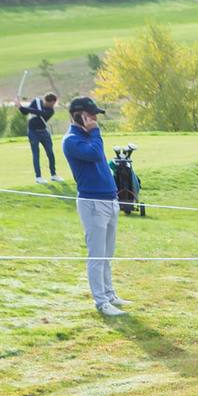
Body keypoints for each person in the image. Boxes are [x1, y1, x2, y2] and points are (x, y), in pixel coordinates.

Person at [61, 96, 125, 317]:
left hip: (109, 200)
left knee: (107, 253)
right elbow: (95, 154)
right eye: (91, 114)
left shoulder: (89, 137)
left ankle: (109, 293)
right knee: (97, 255)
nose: (95, 119)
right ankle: (101, 301)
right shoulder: (72, 140)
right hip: (92, 203)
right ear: (79, 115)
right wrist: (95, 131)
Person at [18, 92, 60, 181]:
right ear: (47, 101)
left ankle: (53, 175)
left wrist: (26, 109)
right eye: (52, 103)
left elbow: (42, 114)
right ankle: (38, 177)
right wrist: (19, 106)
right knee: (36, 154)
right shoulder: (36, 102)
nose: (53, 105)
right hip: (33, 132)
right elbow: (25, 112)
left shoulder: (51, 111)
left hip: (44, 132)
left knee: (50, 153)